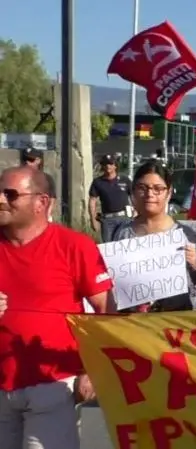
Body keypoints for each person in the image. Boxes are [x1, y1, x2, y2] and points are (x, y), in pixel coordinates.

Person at [0, 166, 113, 449]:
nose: (1, 199)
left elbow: (106, 310)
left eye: (10, 194)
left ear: (42, 202)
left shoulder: (74, 246)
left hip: (52, 384)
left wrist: (94, 369)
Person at [111, 161, 196, 312]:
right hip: (129, 324)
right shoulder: (121, 233)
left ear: (168, 193)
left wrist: (195, 264)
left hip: (173, 323)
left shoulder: (184, 235)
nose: (150, 194)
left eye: (158, 189)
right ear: (133, 191)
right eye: (143, 188)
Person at [89, 154, 132, 242]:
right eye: (105, 164)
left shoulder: (124, 180)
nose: (107, 166)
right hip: (107, 221)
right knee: (109, 248)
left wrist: (137, 212)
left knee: (125, 245)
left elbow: (134, 195)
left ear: (115, 166)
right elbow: (92, 200)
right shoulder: (98, 182)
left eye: (110, 164)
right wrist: (93, 219)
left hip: (124, 218)